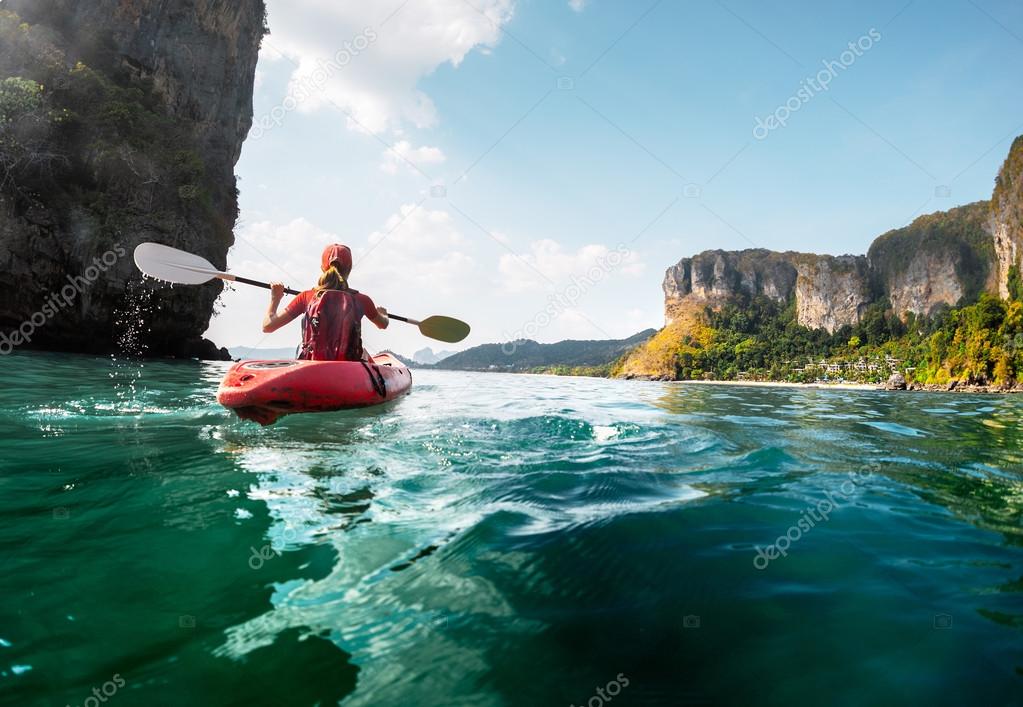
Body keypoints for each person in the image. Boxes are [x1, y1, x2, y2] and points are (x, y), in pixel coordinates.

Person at [262, 243, 388, 361]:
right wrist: (383, 314)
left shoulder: (306, 297)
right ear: (349, 269)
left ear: (322, 268)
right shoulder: (362, 300)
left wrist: (275, 298)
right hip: (349, 366)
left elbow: (268, 326)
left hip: (312, 364)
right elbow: (383, 324)